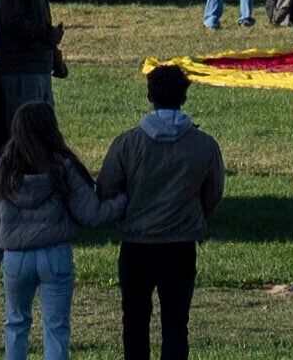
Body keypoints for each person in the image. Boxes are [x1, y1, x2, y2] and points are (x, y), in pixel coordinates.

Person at [82, 71, 212, 360]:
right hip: (180, 244)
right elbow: (213, 194)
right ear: (184, 97)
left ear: (150, 96)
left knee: (135, 321)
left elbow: (105, 188)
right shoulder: (203, 144)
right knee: (176, 324)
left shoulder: (128, 143)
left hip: (136, 245)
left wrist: (126, 209)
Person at [0, 118, 80, 360]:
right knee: (56, 327)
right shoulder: (61, 167)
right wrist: (119, 205)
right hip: (55, 251)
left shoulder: (4, 169)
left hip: (16, 255)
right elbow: (88, 211)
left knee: (16, 323)